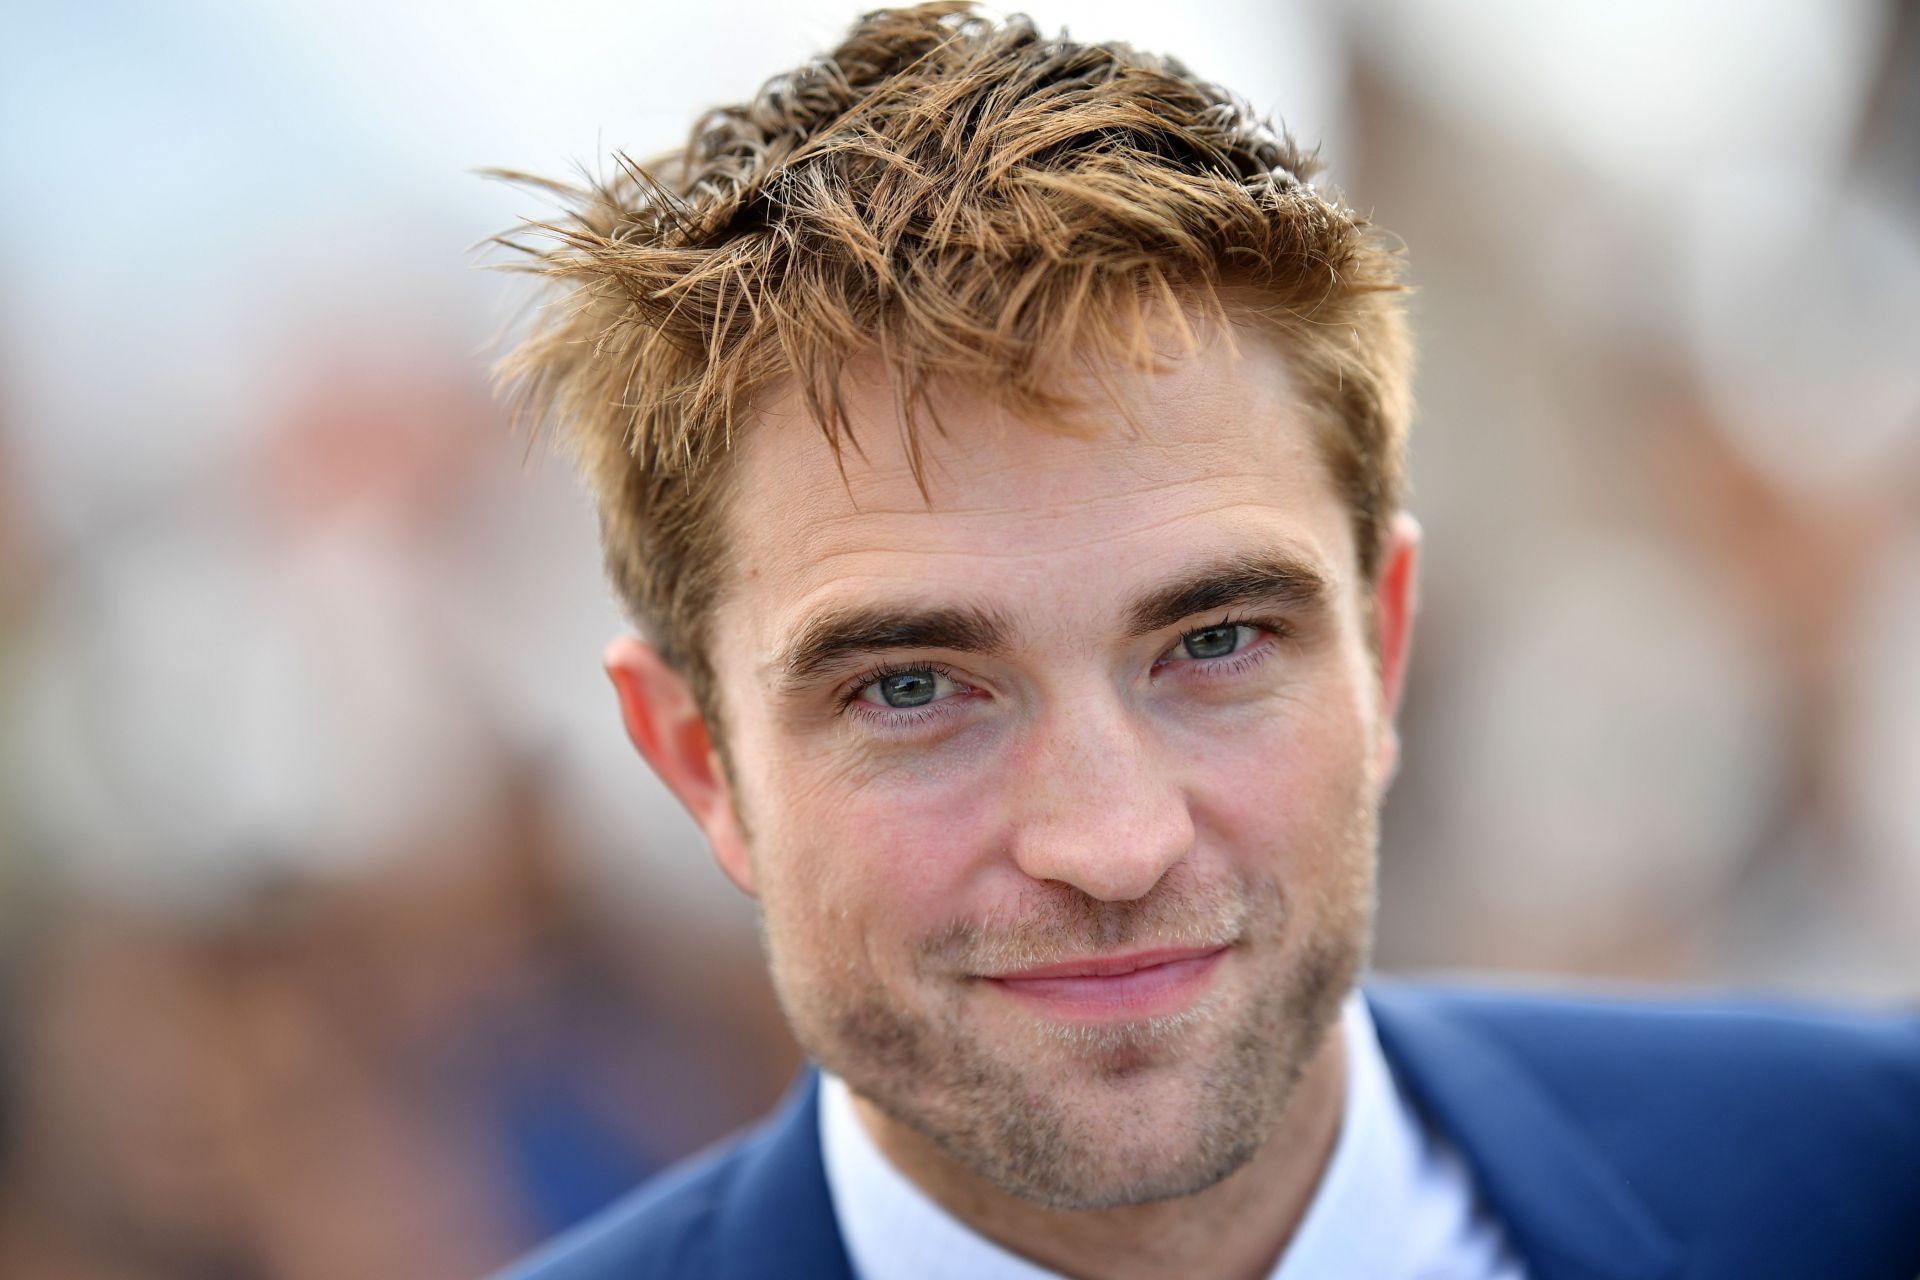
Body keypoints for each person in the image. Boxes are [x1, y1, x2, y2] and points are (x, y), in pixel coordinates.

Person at [487, 5, 1920, 1277]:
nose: (1113, 844)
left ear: (1383, 646)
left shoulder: (1864, 1187)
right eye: (912, 688)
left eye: (1218, 642)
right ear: (700, 760)